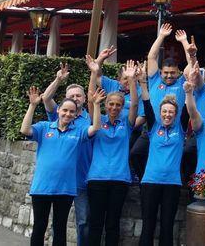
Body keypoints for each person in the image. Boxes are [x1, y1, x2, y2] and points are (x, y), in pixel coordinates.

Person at [21, 86, 103, 246]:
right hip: (42, 187)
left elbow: (95, 128)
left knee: (60, 228)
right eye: (65, 110)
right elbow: (25, 129)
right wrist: (32, 105)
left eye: (72, 112)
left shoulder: (78, 131)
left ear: (75, 115)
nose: (68, 114)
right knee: (39, 226)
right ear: (58, 110)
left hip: (65, 188)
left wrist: (97, 105)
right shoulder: (45, 127)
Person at [86, 60, 141, 246]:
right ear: (105, 104)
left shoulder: (126, 123)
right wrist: (94, 73)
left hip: (119, 179)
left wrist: (132, 80)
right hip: (97, 179)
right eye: (111, 104)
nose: (114, 108)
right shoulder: (97, 121)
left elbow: (134, 105)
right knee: (95, 223)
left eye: (118, 105)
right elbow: (90, 99)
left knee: (112, 224)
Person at [130, 24, 191, 180]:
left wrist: (184, 41)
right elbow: (151, 57)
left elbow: (191, 65)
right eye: (166, 73)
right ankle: (144, 178)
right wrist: (161, 36)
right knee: (136, 153)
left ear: (178, 72)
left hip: (176, 131)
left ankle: (181, 181)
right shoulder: (155, 79)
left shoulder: (182, 82)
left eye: (172, 73)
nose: (169, 76)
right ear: (160, 72)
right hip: (152, 128)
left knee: (184, 156)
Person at [42, 66, 93, 246]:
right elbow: (46, 98)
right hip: (60, 180)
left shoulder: (92, 119)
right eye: (71, 96)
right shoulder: (61, 115)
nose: (75, 99)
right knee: (58, 223)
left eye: (78, 95)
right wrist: (58, 80)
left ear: (85, 98)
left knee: (84, 221)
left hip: (82, 179)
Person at [139, 83, 188, 245]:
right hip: (150, 182)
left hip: (172, 183)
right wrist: (141, 83)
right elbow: (146, 103)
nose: (167, 115)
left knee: (167, 226)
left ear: (176, 114)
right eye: (164, 111)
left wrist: (189, 89)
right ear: (160, 113)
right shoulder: (154, 126)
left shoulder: (180, 128)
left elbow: (188, 108)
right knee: (148, 225)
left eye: (171, 112)